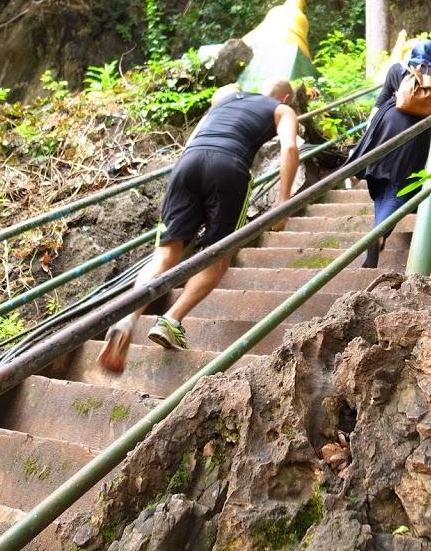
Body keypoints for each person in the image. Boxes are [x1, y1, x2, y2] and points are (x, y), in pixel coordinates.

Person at [97, 79, 300, 373]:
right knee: (218, 254)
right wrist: (283, 201)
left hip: (187, 164)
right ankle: (171, 320)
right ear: (285, 96)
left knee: (165, 254)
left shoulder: (225, 101)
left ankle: (128, 318)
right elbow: (290, 148)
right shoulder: (282, 109)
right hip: (230, 166)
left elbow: (192, 140)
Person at [346, 39, 431, 268]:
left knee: (382, 184)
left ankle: (377, 233)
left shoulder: (397, 69)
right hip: (414, 136)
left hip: (385, 128)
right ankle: (378, 233)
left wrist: (366, 140)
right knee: (401, 187)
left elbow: (379, 104)